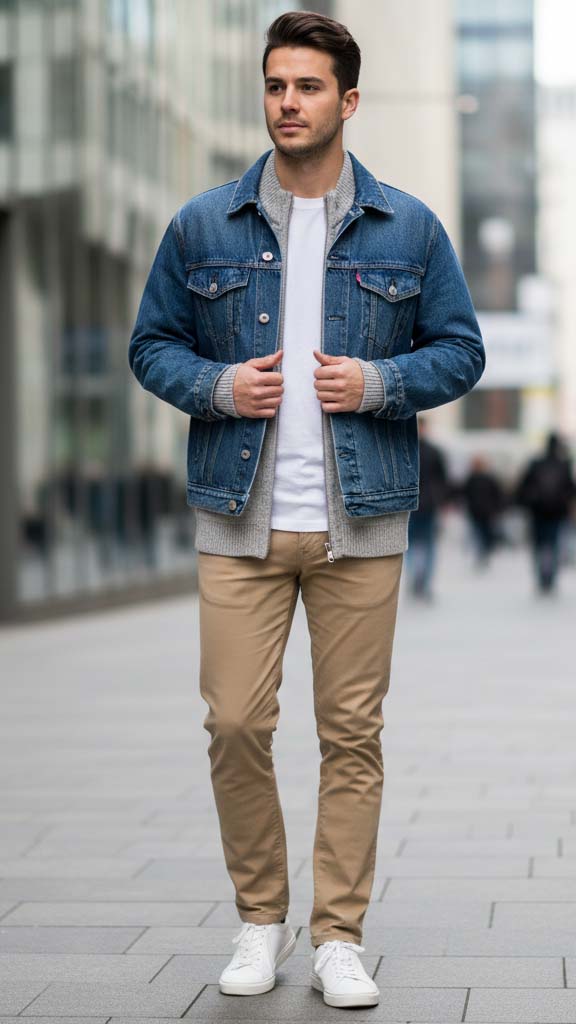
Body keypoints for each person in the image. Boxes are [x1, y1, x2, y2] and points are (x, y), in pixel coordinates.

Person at [128, 10, 485, 1009]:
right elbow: (152, 343)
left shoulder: (409, 227)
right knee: (236, 721)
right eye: (277, 85)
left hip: (361, 519)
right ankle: (259, 919)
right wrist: (215, 388)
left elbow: (461, 349)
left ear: (349, 101)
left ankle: (338, 934)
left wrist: (375, 381)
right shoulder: (205, 224)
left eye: (309, 87)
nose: (288, 102)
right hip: (237, 519)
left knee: (351, 734)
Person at [516, 432, 575, 594]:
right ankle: (551, 579)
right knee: (553, 545)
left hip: (538, 511)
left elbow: (523, 487)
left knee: (539, 545)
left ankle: (541, 577)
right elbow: (570, 489)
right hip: (556, 512)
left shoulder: (536, 463)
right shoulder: (563, 464)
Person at [406, 417, 449, 600]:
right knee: (426, 545)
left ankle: (418, 578)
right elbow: (443, 480)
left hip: (414, 504)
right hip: (427, 503)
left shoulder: (405, 449)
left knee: (412, 544)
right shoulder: (434, 451)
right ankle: (422, 580)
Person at [461, 455, 504, 567]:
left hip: (479, 512)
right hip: (484, 512)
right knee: (483, 534)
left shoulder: (472, 478)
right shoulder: (485, 478)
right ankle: (483, 553)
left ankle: (482, 553)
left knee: (481, 534)